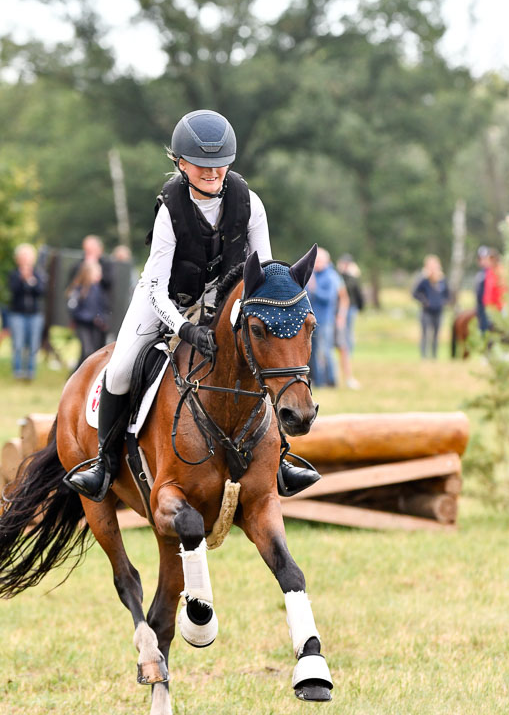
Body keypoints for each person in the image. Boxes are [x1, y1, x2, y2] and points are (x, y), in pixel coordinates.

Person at [66, 109, 319, 500]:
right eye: (202, 165)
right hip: (165, 299)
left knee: (259, 360)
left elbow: (264, 270)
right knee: (118, 372)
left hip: (222, 303)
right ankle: (104, 463)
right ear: (182, 164)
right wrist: (184, 329)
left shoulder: (249, 202)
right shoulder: (170, 208)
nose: (212, 173)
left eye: (219, 165)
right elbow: (155, 284)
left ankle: (280, 457)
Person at [8, 243, 46, 380]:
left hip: (34, 315)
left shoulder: (38, 274)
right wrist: (22, 279)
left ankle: (30, 372)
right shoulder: (14, 274)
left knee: (33, 345)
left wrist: (30, 280)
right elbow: (14, 291)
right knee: (18, 344)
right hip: (18, 313)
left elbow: (41, 292)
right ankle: (18, 371)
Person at [307, 247, 341, 387]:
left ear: (327, 261)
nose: (317, 263)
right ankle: (317, 380)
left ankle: (332, 380)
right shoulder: (311, 275)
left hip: (325, 320)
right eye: (316, 261)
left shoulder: (331, 276)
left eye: (320, 260)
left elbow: (329, 297)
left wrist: (315, 289)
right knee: (312, 352)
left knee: (326, 351)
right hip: (311, 321)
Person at [67, 261, 110, 369]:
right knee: (87, 351)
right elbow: (73, 308)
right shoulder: (78, 289)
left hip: (95, 326)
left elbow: (102, 307)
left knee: (93, 352)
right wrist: (89, 317)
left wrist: (101, 319)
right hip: (83, 325)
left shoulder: (98, 289)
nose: (100, 275)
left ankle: (81, 376)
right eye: (97, 272)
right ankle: (76, 375)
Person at [412, 254, 450, 359]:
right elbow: (415, 293)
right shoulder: (423, 279)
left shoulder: (442, 279)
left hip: (438, 310)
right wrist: (425, 301)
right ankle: (424, 356)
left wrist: (443, 302)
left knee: (436, 335)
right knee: (425, 334)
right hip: (426, 311)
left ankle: (434, 356)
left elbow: (448, 294)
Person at [335, 254, 364, 389]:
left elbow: (358, 293)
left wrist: (360, 307)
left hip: (351, 308)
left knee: (348, 333)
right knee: (345, 336)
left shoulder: (353, 278)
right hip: (341, 309)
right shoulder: (338, 276)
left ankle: (349, 353)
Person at [483, 249, 506, 315]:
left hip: (500, 306)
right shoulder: (489, 271)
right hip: (491, 306)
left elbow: (503, 289)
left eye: (489, 260)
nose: (487, 262)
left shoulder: (500, 271)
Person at [475, 245, 491, 333]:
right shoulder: (480, 273)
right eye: (481, 259)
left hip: (489, 307)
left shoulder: (491, 272)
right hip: (480, 307)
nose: (483, 261)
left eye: (485, 258)